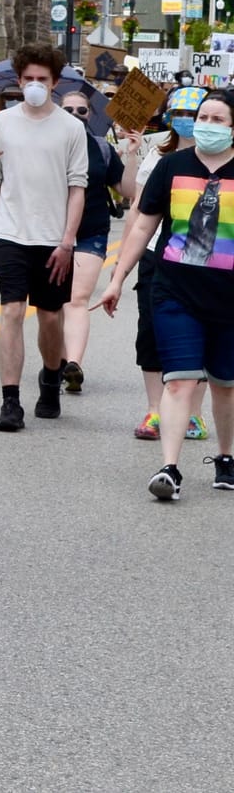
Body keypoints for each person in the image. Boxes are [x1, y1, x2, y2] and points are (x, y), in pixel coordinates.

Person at [100, 90, 234, 501]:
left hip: (229, 298)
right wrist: (117, 276)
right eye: (203, 117)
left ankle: (226, 457)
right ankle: (170, 468)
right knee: (178, 382)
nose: (207, 125)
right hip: (174, 289)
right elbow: (143, 226)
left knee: (225, 385)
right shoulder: (172, 166)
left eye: (218, 119)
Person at [0, 45, 88, 433]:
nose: (35, 85)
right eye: (28, 80)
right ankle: (10, 402)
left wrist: (67, 240)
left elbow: (78, 188)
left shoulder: (72, 129)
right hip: (10, 234)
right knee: (10, 311)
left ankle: (50, 378)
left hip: (54, 238)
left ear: (55, 83)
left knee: (50, 316)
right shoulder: (1, 124)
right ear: (18, 82)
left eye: (42, 79)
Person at [115, 87, 213, 444]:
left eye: (198, 114)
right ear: (171, 117)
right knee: (151, 333)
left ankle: (194, 414)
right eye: (183, 115)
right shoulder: (159, 156)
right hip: (158, 255)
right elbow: (138, 210)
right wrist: (122, 264)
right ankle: (156, 409)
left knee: (201, 336)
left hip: (206, 260)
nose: (190, 122)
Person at [60, 87, 124, 393]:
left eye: (81, 111)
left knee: (76, 299)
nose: (74, 115)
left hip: (91, 232)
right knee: (53, 305)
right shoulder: (45, 145)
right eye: (67, 110)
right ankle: (56, 362)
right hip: (48, 233)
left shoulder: (101, 148)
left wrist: (134, 151)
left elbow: (128, 190)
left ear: (91, 115)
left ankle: (73, 363)